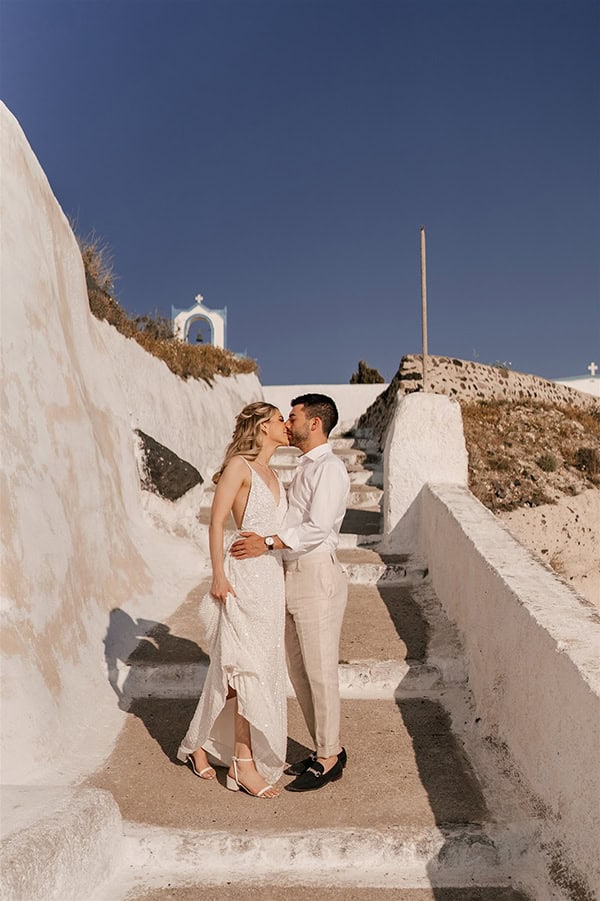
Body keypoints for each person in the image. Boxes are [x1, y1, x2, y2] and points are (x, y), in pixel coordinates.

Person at [231, 394, 350, 792]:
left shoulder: (330, 469)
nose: (289, 423)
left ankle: (330, 755)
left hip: (315, 574)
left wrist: (266, 541)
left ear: (314, 423)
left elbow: (316, 528)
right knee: (300, 672)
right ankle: (323, 748)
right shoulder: (304, 468)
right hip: (290, 574)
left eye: (294, 416)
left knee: (320, 670)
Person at [177, 402, 289, 798]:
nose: (286, 425)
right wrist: (219, 576)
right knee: (244, 673)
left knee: (246, 673)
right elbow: (218, 520)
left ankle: (197, 747)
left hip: (271, 582)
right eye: (279, 420)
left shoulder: (275, 474)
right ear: (261, 427)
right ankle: (243, 764)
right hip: (241, 580)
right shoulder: (239, 466)